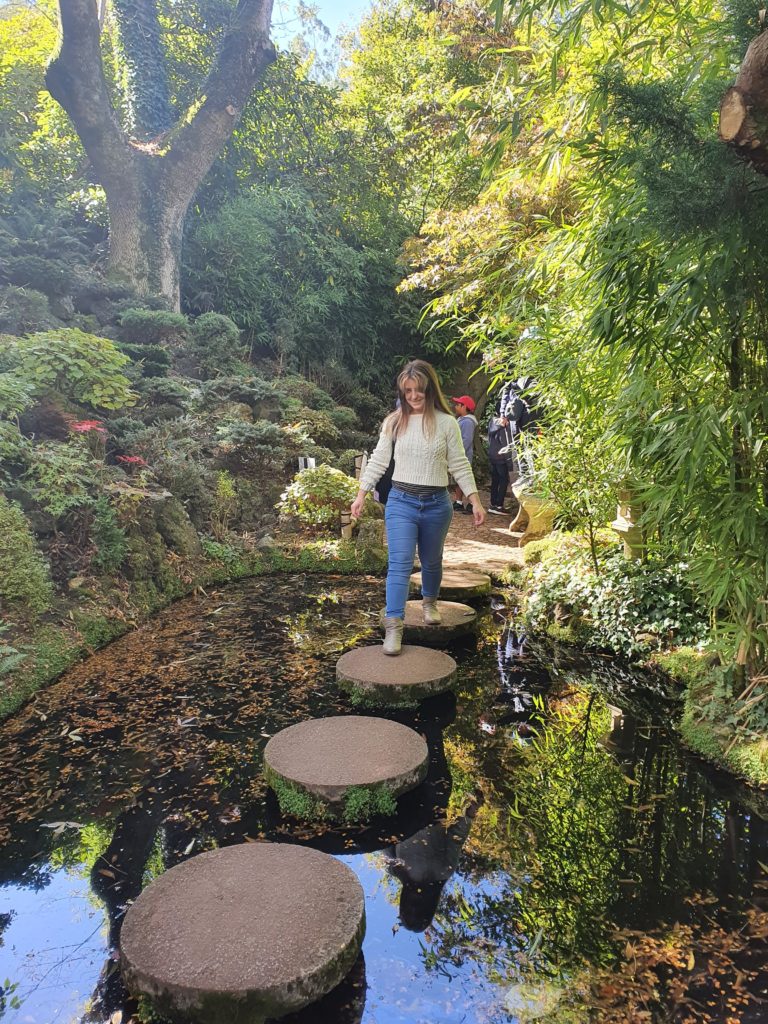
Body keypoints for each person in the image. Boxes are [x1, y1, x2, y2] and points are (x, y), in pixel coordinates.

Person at [350, 359, 485, 655]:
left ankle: (429, 602)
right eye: (407, 390)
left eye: (418, 390)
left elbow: (459, 464)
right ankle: (395, 626)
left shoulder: (448, 424)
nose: (413, 396)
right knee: (399, 564)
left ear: (430, 389)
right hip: (401, 501)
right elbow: (378, 460)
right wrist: (361, 494)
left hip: (437, 503)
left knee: (432, 560)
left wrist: (474, 499)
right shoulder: (394, 422)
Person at [450, 394, 478, 514]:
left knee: (464, 478)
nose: (456, 407)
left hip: (463, 455)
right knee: (458, 479)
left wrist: (457, 452)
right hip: (460, 453)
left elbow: (466, 439)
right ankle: (458, 501)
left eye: (458, 405)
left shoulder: (468, 422)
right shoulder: (462, 419)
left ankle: (472, 503)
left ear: (464, 406)